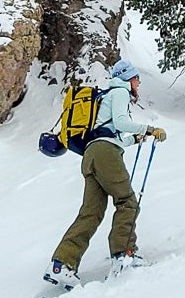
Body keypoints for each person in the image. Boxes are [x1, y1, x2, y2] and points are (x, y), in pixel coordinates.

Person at [47, 59, 166, 284]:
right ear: (128, 78)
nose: (138, 83)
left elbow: (112, 132)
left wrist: (136, 138)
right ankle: (124, 255)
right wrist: (150, 128)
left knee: (90, 213)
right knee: (127, 201)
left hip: (91, 155)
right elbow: (120, 123)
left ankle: (62, 263)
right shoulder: (120, 92)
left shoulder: (105, 97)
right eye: (136, 79)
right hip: (105, 154)